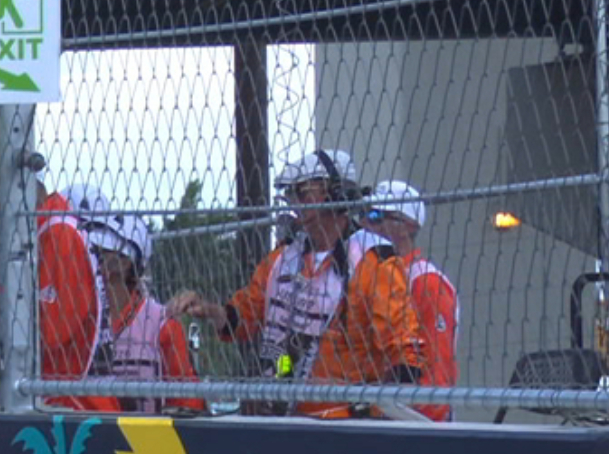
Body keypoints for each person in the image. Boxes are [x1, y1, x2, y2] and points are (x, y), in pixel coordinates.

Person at [167, 148, 424, 418]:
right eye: (291, 194)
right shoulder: (284, 258)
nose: (294, 203)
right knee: (289, 353)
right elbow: (244, 316)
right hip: (288, 418)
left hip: (348, 425)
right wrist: (211, 311)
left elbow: (404, 350)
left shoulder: (373, 262)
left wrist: (380, 411)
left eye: (302, 193)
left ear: (335, 194)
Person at [0, 173, 104, 391]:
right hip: (50, 402)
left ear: (24, 184)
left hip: (74, 407)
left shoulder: (59, 232)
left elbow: (51, 335)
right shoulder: (29, 232)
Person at [54, 212, 201, 414]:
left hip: (145, 441)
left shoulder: (161, 324)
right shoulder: (73, 317)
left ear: (125, 263)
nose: (89, 257)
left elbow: (187, 405)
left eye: (99, 251)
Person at [364, 180, 456, 421]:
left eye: (375, 216)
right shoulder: (367, 276)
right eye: (364, 215)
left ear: (407, 226)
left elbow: (437, 374)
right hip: (373, 414)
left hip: (413, 425)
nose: (365, 223)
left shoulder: (426, 282)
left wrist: (417, 425)